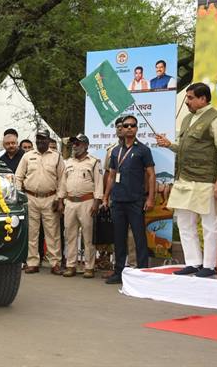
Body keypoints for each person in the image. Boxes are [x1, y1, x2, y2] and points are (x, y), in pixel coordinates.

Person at [156, 82, 217, 278]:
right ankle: (193, 262)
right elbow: (183, 147)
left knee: (209, 224)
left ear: (203, 99)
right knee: (184, 222)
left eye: (190, 98)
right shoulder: (187, 119)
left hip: (205, 180)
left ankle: (210, 266)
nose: (187, 102)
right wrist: (169, 145)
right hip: (184, 179)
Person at [102, 115, 156, 284]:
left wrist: (150, 198)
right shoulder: (115, 151)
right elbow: (111, 176)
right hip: (117, 201)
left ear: (137, 128)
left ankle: (143, 272)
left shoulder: (143, 150)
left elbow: (151, 175)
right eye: (126, 126)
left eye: (132, 125)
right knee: (119, 238)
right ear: (122, 129)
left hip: (135, 200)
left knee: (139, 237)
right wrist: (105, 197)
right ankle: (118, 272)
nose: (129, 128)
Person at [15, 129, 65, 275]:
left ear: (49, 140)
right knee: (32, 232)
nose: (40, 141)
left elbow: (62, 179)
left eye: (43, 139)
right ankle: (32, 262)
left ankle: (55, 263)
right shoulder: (27, 156)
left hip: (50, 198)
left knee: (53, 233)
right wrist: (20, 196)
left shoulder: (57, 157)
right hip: (30, 198)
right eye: (38, 139)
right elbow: (18, 177)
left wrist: (59, 199)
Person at [58, 134, 103, 278]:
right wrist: (60, 200)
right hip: (70, 202)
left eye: (78, 144)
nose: (74, 146)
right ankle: (71, 265)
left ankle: (89, 267)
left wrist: (97, 202)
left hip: (87, 202)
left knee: (88, 237)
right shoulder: (67, 162)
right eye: (73, 144)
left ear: (86, 146)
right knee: (69, 236)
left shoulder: (94, 162)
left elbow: (99, 183)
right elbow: (63, 183)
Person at [103, 117, 137, 270]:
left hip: (133, 197)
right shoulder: (112, 150)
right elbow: (108, 174)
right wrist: (105, 196)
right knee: (118, 232)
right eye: (118, 127)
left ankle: (133, 265)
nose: (120, 129)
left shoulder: (138, 148)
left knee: (132, 234)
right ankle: (118, 267)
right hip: (116, 196)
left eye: (123, 126)